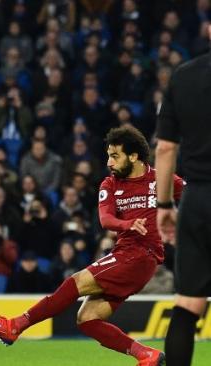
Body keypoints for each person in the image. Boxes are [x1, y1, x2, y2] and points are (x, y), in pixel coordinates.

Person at [0, 126, 184, 366]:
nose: (109, 162)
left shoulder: (162, 179)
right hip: (126, 254)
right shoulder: (110, 185)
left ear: (134, 156)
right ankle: (147, 355)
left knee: (75, 281)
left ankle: (15, 326)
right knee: (87, 319)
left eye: (115, 156)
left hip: (141, 255)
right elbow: (105, 220)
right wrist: (127, 224)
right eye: (108, 155)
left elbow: (196, 198)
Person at [156, 24, 211, 366]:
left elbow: (164, 149)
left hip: (197, 200)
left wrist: (164, 204)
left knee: (188, 303)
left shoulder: (184, 76)